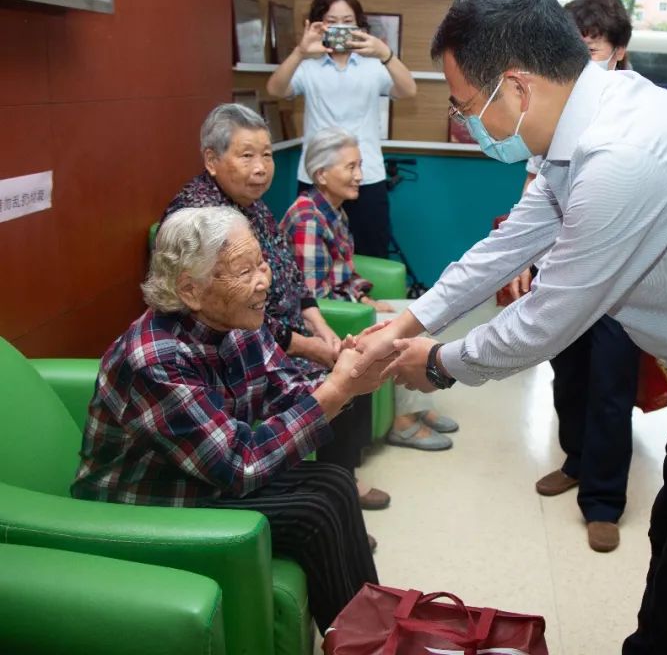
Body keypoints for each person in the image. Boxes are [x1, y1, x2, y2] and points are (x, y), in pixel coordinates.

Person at [346, 0, 667, 654]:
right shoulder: (578, 133)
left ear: (518, 86)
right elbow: (506, 247)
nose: (469, 126)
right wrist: (410, 322)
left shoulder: (623, 154)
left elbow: (547, 319)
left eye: (469, 107)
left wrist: (436, 365)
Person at [72, 207, 387, 633]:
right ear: (191, 290)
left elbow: (290, 395)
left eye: (261, 263)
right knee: (315, 512)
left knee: (332, 480)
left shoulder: (239, 322)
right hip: (143, 503)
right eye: (245, 270)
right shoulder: (155, 359)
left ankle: (380, 637)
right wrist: (336, 390)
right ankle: (363, 642)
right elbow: (239, 465)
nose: (265, 280)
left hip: (201, 474)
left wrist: (350, 374)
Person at [162, 104, 390, 510]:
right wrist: (309, 347)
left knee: (350, 361)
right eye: (246, 155)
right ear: (212, 160)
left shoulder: (257, 208)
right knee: (338, 371)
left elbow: (294, 281)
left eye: (267, 154)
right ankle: (325, 491)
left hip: (280, 335)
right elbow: (230, 312)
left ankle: (339, 481)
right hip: (240, 348)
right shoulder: (199, 217)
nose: (262, 167)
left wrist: (321, 328)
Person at [507, 0, 641, 554]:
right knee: (569, 375)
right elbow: (534, 185)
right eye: (575, 48)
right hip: (561, 269)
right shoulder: (554, 110)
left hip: (616, 280)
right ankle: (576, 460)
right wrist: (523, 259)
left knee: (612, 387)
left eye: (595, 47)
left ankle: (604, 501)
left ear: (619, 50)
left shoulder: (636, 110)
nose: (584, 58)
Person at [281, 127, 458, 451]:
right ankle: (403, 423)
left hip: (345, 302)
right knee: (399, 326)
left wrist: (363, 295)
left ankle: (414, 408)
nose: (360, 175)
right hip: (325, 320)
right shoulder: (307, 218)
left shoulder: (333, 210)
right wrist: (364, 306)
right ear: (321, 174)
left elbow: (341, 272)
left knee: (410, 314)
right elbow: (311, 296)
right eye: (351, 167)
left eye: (360, 165)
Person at [267, 0, 418, 259]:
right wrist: (300, 52)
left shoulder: (373, 65)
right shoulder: (308, 64)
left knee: (372, 253)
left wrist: (385, 54)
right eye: (331, 21)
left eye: (347, 22)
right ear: (316, 24)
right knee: (312, 255)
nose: (340, 28)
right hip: (316, 175)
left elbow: (408, 90)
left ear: (360, 26)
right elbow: (276, 89)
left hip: (366, 176)